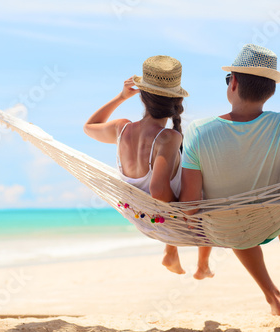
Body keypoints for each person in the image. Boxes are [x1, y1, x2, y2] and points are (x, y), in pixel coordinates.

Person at [180, 44, 280, 314]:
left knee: (237, 219)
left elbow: (190, 206)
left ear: (234, 82)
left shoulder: (198, 131)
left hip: (224, 229)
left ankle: (273, 296)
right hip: (274, 220)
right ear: (271, 90)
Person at [84, 55, 213, 279]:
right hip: (162, 218)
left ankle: (172, 252)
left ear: (142, 97)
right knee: (205, 187)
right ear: (177, 101)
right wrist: (185, 214)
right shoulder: (168, 137)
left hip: (136, 212)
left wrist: (121, 97)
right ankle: (202, 264)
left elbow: (89, 127)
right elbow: (158, 191)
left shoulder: (121, 128)